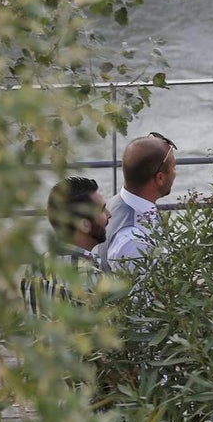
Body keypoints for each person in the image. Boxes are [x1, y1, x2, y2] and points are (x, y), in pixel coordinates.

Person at [21, 176, 111, 313]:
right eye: (102, 210)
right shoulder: (89, 275)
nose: (109, 214)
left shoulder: (34, 268)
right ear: (84, 224)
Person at [96, 131, 177, 272]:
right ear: (160, 178)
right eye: (173, 167)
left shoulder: (117, 203)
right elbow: (141, 293)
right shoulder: (132, 241)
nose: (176, 173)